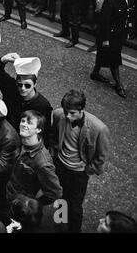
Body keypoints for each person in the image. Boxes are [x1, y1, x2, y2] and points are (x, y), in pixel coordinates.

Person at [50, 90, 110, 233]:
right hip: (60, 165)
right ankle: (60, 226)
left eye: (72, 113)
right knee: (59, 198)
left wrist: (88, 169)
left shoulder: (99, 128)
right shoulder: (59, 114)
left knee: (75, 206)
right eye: (66, 112)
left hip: (79, 173)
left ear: (82, 110)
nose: (68, 116)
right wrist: (53, 152)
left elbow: (101, 156)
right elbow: (53, 134)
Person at [6, 110, 63, 205]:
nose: (24, 124)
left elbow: (55, 193)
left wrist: (31, 204)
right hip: (10, 195)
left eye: (29, 123)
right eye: (23, 121)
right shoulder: (21, 142)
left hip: (21, 208)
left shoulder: (43, 163)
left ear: (38, 129)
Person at [0, 53, 52, 141]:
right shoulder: (11, 88)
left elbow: (45, 130)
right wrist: (4, 59)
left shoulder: (43, 105)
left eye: (27, 85)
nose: (22, 89)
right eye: (19, 85)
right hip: (5, 133)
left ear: (35, 84)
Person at [91, 0, 133, 98]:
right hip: (109, 35)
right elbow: (104, 23)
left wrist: (129, 31)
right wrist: (105, 39)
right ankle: (118, 84)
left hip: (119, 35)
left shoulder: (129, 0)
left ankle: (95, 73)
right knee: (114, 59)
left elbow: (129, 17)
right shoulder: (110, 2)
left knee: (104, 55)